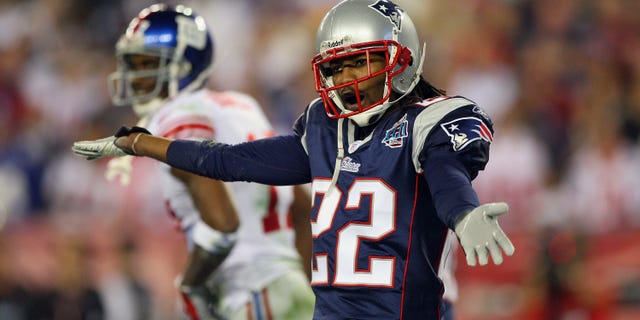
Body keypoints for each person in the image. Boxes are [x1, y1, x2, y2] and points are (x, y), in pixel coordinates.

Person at [73, 0, 515, 319]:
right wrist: (144, 144)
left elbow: (446, 174)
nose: (346, 80)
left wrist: (463, 212)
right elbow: (229, 162)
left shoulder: (433, 120)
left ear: (400, 59)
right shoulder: (323, 127)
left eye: (359, 63)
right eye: (336, 68)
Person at [91, 4, 315, 320]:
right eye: (131, 64)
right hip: (289, 289)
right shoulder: (240, 106)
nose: (134, 77)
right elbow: (302, 207)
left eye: (146, 64)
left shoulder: (176, 115)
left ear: (183, 66)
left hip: (249, 295)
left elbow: (222, 224)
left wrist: (190, 283)